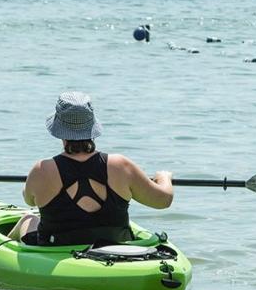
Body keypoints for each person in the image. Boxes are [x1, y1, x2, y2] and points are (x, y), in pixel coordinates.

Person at [10, 92, 174, 247]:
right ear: (92, 126)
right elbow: (163, 201)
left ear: (59, 130)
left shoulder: (42, 169)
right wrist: (164, 177)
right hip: (116, 250)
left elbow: (29, 200)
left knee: (28, 219)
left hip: (55, 250)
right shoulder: (120, 165)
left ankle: (0, 257)